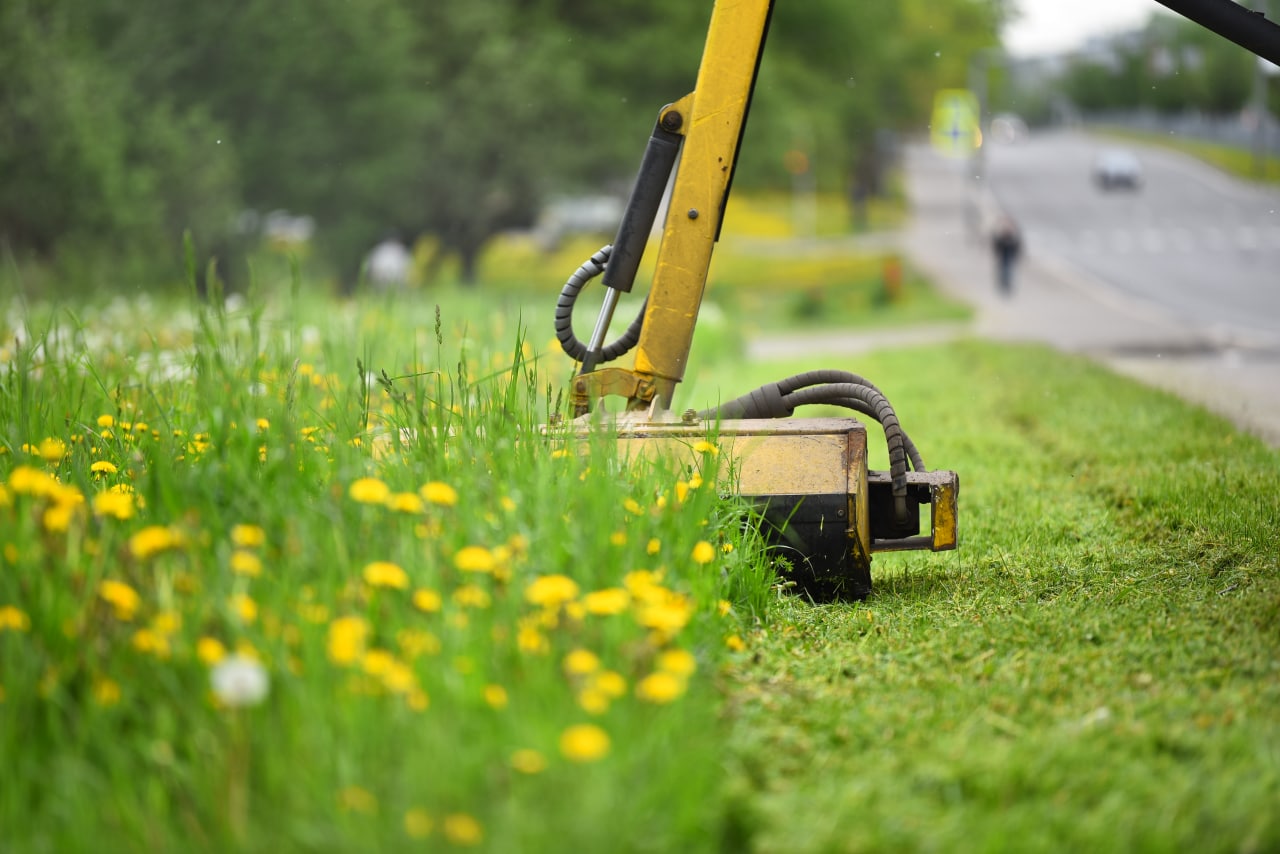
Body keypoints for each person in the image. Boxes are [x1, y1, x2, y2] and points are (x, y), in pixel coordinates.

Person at [991, 216, 1022, 297]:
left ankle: (1007, 284)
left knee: (1008, 270)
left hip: (1009, 255)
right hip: (1003, 255)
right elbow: (996, 243)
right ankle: (1004, 284)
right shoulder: (1002, 235)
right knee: (1004, 269)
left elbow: (1017, 245)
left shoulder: (1013, 235)